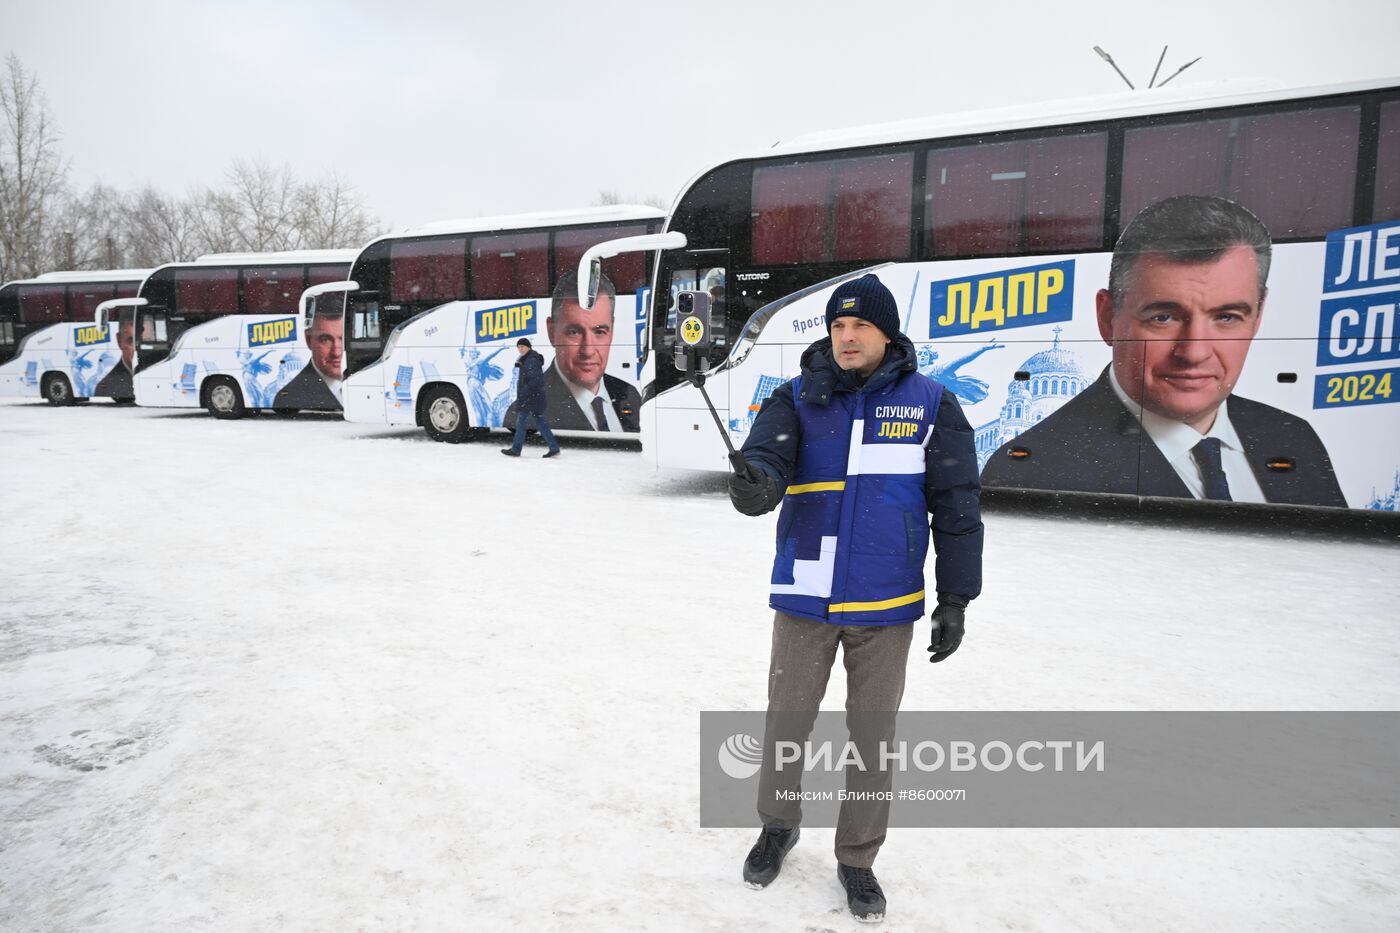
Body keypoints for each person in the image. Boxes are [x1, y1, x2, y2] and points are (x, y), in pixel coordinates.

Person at [727, 273, 983, 922]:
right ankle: (777, 825)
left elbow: (956, 505)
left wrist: (955, 594)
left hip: (886, 600)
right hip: (805, 596)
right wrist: (755, 485)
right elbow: (766, 463)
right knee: (787, 725)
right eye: (837, 326)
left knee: (873, 738)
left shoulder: (932, 404)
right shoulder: (795, 397)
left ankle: (857, 858)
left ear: (886, 333)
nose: (846, 337)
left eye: (859, 326)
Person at [981, 195, 1345, 507]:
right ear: (1108, 319)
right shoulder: (1035, 469)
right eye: (1164, 317)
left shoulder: (1293, 438)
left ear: (1258, 317)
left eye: (1227, 317)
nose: (1194, 352)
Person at [504, 270, 643, 432]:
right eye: (574, 332)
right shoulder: (525, 409)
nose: (588, 351)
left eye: (599, 332)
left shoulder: (630, 394)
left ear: (611, 331)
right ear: (551, 332)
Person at [272, 308, 342, 411]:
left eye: (343, 339)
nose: (337, 352)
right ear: (309, 340)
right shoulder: (288, 397)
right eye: (325, 340)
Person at [502, 337, 560, 458]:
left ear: (528, 347)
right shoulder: (527, 359)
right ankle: (554, 447)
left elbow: (536, 380)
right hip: (534, 398)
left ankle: (516, 449)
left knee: (521, 423)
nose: (520, 349)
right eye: (518, 347)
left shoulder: (531, 360)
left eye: (522, 346)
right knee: (540, 423)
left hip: (530, 398)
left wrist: (524, 392)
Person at [94, 317, 134, 399]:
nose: (138, 348)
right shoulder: (106, 386)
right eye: (131, 342)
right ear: (119, 341)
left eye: (147, 340)